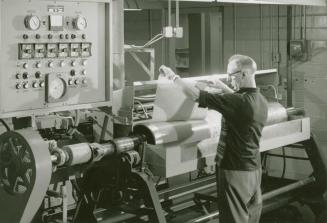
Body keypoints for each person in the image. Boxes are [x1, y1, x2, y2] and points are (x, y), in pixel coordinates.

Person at [159, 54, 268, 223]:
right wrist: (222, 85)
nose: (229, 79)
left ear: (244, 74)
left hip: (234, 171)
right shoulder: (260, 100)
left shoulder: (238, 102)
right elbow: (239, 99)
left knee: (234, 219)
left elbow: (195, 95)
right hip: (254, 169)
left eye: (231, 75)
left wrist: (173, 76)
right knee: (250, 217)